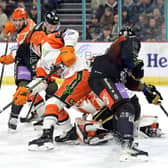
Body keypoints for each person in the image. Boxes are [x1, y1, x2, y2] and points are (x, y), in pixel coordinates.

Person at [87, 26, 162, 161]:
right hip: (103, 76)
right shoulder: (126, 42)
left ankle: (117, 129)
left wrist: (146, 91)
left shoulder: (120, 60)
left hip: (110, 79)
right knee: (125, 106)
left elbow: (128, 82)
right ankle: (127, 145)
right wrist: (135, 65)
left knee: (133, 104)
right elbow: (129, 56)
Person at [0, 10, 61, 131]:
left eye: (54, 26)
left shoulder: (32, 24)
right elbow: (21, 51)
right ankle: (13, 117)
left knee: (52, 87)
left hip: (37, 59)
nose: (52, 28)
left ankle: (47, 113)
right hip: (24, 60)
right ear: (44, 23)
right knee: (24, 87)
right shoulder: (34, 35)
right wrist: (9, 58)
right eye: (50, 26)